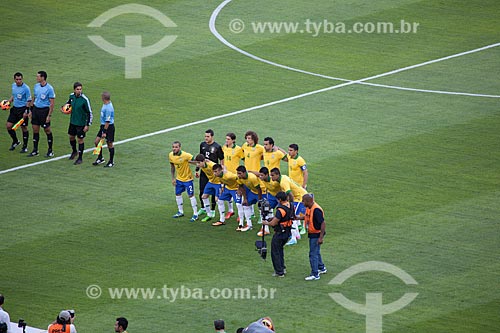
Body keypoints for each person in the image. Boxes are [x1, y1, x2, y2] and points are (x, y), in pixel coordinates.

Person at [262, 191, 293, 277]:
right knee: (280, 250)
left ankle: (279, 271)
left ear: (279, 199)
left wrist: (266, 223)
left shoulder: (280, 210)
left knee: (275, 251)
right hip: (287, 232)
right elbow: (286, 217)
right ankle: (282, 268)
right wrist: (274, 218)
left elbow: (273, 224)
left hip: (280, 233)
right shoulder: (290, 205)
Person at [63, 82, 93, 165]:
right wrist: (64, 109)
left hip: (81, 123)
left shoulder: (84, 100)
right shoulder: (71, 96)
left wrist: (87, 125)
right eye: (77, 89)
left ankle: (80, 158)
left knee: (80, 140)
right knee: (71, 137)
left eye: (80, 89)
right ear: (74, 90)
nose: (79, 91)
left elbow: (89, 113)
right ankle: (74, 151)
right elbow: (68, 104)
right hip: (73, 121)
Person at [169, 141, 199, 222]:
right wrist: (173, 178)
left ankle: (195, 214)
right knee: (177, 194)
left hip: (188, 179)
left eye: (176, 147)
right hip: (179, 179)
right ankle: (180, 211)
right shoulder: (171, 155)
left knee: (191, 195)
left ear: (180, 147)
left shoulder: (186, 155)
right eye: (173, 147)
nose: (174, 148)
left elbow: (196, 161)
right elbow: (172, 167)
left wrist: (197, 170)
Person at [28, 70, 55, 157]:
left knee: (47, 130)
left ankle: (50, 150)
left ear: (42, 77)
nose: (37, 78)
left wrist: (49, 115)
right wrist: (30, 110)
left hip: (44, 111)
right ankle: (35, 150)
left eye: (38, 76)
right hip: (36, 110)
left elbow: (52, 103)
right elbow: (34, 98)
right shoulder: (36, 86)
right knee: (35, 129)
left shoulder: (49, 88)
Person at [197, 129, 224, 217]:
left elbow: (221, 159)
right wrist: (197, 169)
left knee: (213, 192)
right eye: (205, 136)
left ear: (212, 137)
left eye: (208, 136)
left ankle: (212, 210)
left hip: (213, 172)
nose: (206, 138)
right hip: (204, 171)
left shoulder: (217, 146)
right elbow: (200, 158)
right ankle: (203, 208)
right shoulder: (202, 145)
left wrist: (221, 170)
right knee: (202, 190)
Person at [301, 194, 327, 280]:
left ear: (308, 201)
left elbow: (323, 223)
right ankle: (321, 268)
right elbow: (307, 217)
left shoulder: (316, 210)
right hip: (313, 233)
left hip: (316, 234)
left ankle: (315, 274)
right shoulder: (310, 208)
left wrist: (320, 237)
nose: (302, 202)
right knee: (316, 252)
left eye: (303, 201)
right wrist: (297, 218)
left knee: (313, 254)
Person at [191, 154, 224, 223]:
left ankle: (222, 218)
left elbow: (221, 169)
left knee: (217, 199)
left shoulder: (211, 165)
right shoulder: (202, 164)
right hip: (211, 182)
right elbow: (194, 163)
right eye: (197, 163)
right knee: (204, 197)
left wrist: (222, 183)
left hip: (218, 183)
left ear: (203, 161)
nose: (198, 164)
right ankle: (209, 215)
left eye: (199, 163)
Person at [6, 72, 31, 153]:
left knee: (23, 127)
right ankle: (16, 141)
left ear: (22, 79)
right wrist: (8, 102)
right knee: (9, 126)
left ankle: (25, 146)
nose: (18, 81)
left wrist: (26, 111)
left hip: (22, 110)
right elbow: (14, 96)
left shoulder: (26, 88)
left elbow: (29, 100)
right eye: (17, 79)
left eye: (20, 79)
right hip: (15, 109)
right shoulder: (13, 86)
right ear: (14, 79)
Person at [212, 163, 243, 228]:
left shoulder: (229, 176)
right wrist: (222, 187)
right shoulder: (218, 176)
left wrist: (239, 189)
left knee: (238, 204)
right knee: (220, 201)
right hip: (227, 188)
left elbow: (240, 178)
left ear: (220, 171)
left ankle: (241, 223)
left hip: (235, 189)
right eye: (214, 172)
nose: (214, 173)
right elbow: (222, 181)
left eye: (216, 171)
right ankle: (221, 220)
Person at [222, 132, 244, 220]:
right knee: (227, 191)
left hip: (235, 175)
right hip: (226, 175)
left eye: (228, 139)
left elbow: (244, 159)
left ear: (233, 140)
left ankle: (240, 213)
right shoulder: (224, 148)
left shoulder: (238, 149)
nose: (226, 141)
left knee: (238, 193)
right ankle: (230, 210)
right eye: (226, 139)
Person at [256, 167, 282, 236]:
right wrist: (249, 171)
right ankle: (265, 229)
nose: (260, 177)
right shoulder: (264, 179)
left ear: (267, 175)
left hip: (280, 197)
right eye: (260, 175)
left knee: (282, 213)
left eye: (262, 175)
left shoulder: (274, 180)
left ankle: (286, 229)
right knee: (264, 208)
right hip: (272, 196)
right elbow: (256, 174)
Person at [236, 165, 262, 232]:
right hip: (253, 192)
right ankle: (249, 225)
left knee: (262, 207)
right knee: (245, 204)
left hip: (261, 192)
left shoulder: (252, 177)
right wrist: (245, 198)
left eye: (240, 173)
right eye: (237, 173)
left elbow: (259, 189)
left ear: (244, 173)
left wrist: (260, 200)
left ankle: (265, 226)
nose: (238, 175)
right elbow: (242, 188)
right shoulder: (240, 178)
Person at [92, 91, 115, 167]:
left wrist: (104, 132)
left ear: (104, 98)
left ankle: (111, 161)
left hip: (108, 127)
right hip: (103, 126)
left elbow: (107, 121)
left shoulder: (108, 108)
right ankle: (100, 158)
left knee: (109, 144)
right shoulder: (105, 104)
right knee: (96, 142)